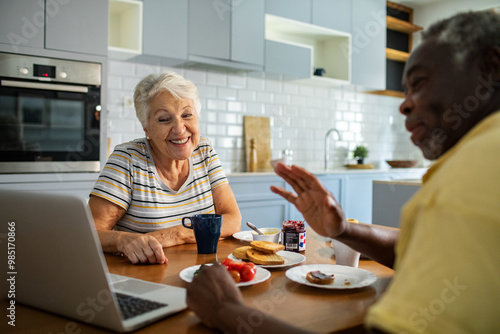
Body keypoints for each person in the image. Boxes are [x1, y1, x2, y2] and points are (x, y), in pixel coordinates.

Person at [186, 10, 500, 333]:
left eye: (418, 83)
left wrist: (227, 311)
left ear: (490, 67)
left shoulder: (476, 167)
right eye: (404, 91)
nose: (404, 105)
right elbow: (420, 247)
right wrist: (342, 230)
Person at [89, 71, 241, 265]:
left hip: (201, 271)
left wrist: (178, 234)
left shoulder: (204, 151)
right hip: (145, 278)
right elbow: (90, 232)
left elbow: (233, 219)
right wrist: (121, 240)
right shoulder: (127, 159)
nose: (179, 129)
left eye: (187, 115)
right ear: (146, 128)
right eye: (164, 119)